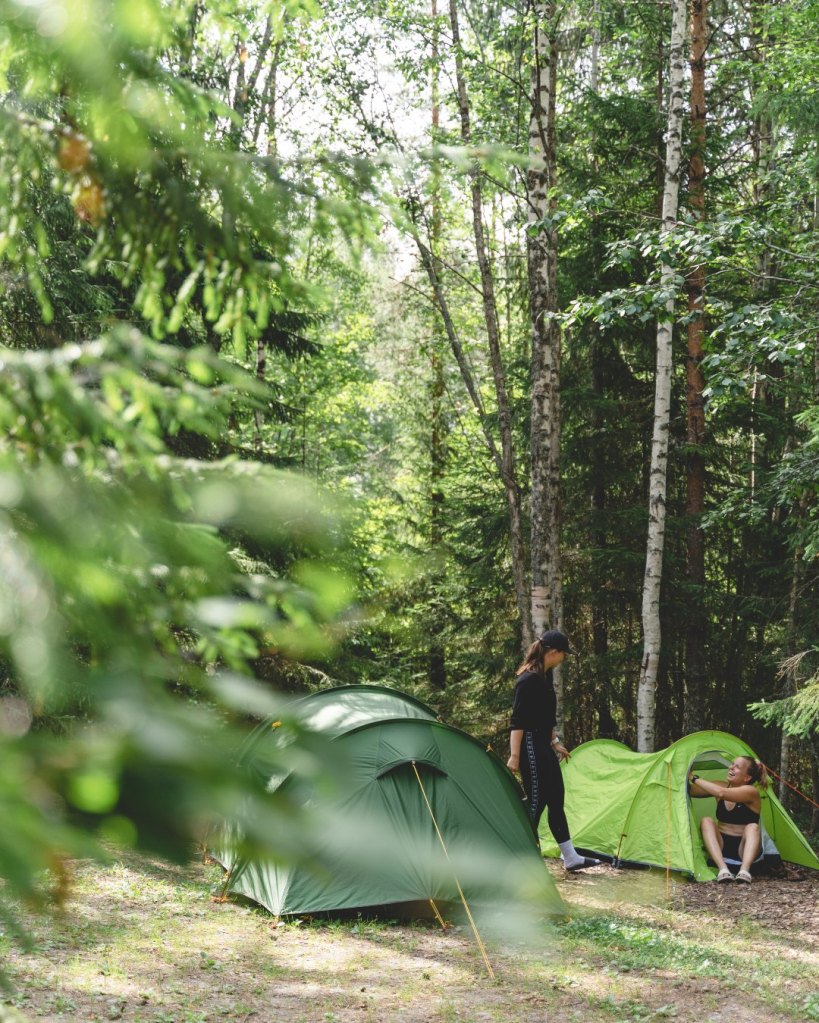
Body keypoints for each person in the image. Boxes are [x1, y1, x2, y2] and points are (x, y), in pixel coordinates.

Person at [507, 629, 599, 872]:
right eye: (563, 654)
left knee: (556, 796)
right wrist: (515, 756)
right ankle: (519, 858)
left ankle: (570, 857)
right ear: (554, 652)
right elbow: (518, 722)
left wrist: (555, 741)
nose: (564, 659)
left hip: (542, 744)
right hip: (528, 746)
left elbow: (544, 717)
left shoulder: (542, 677)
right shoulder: (528, 680)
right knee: (536, 802)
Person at [688, 756, 770, 883]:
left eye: (737, 767)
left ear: (746, 778)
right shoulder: (720, 785)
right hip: (721, 848)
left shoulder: (751, 791)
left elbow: (721, 793)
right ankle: (723, 870)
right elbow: (691, 791)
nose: (731, 767)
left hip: (743, 850)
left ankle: (744, 871)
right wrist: (683, 773)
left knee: (753, 827)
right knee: (706, 821)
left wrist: (693, 778)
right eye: (732, 764)